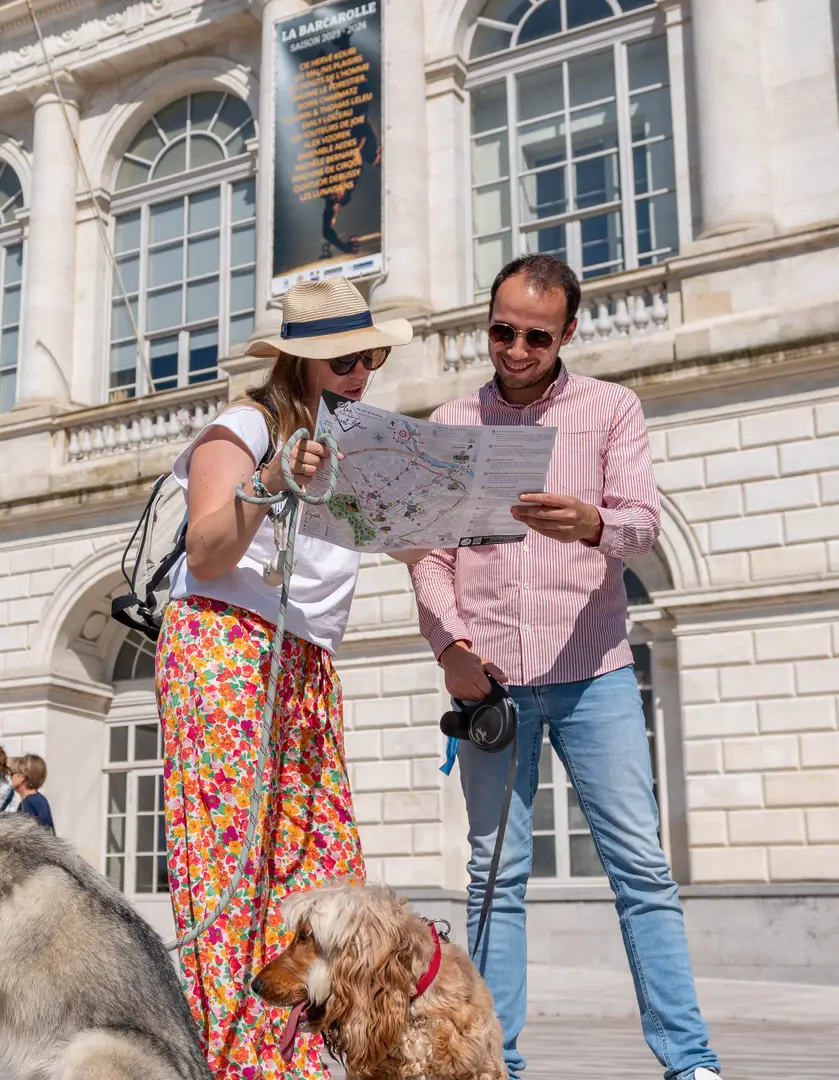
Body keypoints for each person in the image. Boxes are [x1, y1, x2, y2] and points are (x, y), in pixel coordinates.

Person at [405, 254, 721, 1080]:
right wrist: (449, 649)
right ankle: (490, 1063)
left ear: (568, 332)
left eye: (534, 337)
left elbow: (643, 526)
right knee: (492, 879)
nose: (513, 349)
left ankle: (690, 1063)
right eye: (500, 330)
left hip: (595, 675)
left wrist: (589, 522)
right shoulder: (449, 421)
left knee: (643, 872)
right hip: (492, 684)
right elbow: (428, 556)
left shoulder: (612, 410)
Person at [157, 276, 410, 1080]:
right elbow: (206, 550)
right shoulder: (245, 425)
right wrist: (272, 480)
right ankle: (240, 1064)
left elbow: (395, 538)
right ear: (300, 361)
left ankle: (307, 1059)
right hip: (228, 648)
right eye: (343, 356)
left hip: (304, 660)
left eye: (370, 354)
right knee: (232, 869)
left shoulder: (356, 442)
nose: (362, 369)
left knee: (317, 865)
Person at [8, 754, 54, 834]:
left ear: (22, 776)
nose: (10, 777)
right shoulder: (36, 800)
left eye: (12, 773)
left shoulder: (30, 802)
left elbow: (28, 838)